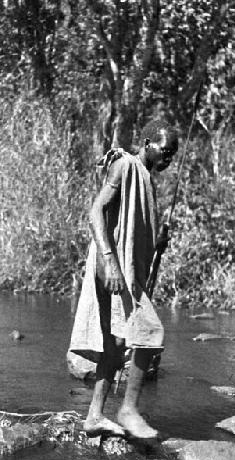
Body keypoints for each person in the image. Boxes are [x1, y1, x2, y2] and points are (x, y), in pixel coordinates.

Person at [68, 120, 179, 440]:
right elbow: (96, 213)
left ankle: (93, 416)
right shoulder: (124, 165)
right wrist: (110, 262)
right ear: (146, 142)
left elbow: (135, 230)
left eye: (173, 153)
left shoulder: (146, 179)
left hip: (127, 271)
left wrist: (159, 240)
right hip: (114, 271)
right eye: (165, 151)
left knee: (116, 347)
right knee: (151, 331)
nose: (169, 159)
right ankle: (128, 410)